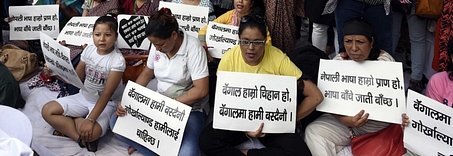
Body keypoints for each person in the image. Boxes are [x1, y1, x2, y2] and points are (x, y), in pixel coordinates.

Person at [198, 14, 323, 156]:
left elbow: (316, 96)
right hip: (238, 121)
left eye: (257, 42)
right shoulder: (229, 57)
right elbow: (223, 100)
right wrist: (245, 128)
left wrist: (286, 121)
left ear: (265, 41)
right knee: (206, 141)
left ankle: (247, 153)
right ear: (239, 40)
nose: (250, 48)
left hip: (271, 125)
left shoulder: (278, 58)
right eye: (245, 41)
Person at [112, 9, 209, 156]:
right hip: (159, 104)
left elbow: (201, 90)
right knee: (116, 122)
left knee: (188, 153)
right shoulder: (157, 45)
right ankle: (159, 149)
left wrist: (171, 106)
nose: (157, 48)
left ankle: (153, 148)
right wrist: (128, 99)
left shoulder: (193, 48)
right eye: (154, 44)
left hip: (189, 109)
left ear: (174, 36)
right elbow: (146, 73)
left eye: (160, 44)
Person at [304, 18, 394, 156]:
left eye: (360, 42)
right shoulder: (338, 62)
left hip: (378, 129)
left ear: (371, 43)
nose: (353, 48)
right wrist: (344, 119)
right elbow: (329, 101)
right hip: (346, 125)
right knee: (313, 131)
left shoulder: (385, 62)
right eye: (348, 42)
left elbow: (393, 103)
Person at [42, 16, 125, 152]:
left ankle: (71, 123)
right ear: (92, 35)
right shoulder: (89, 50)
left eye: (108, 35)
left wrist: (91, 120)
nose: (102, 39)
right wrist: (53, 72)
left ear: (116, 36)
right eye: (97, 34)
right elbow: (75, 78)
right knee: (47, 110)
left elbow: (107, 93)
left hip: (107, 103)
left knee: (92, 133)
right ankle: (80, 139)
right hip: (84, 96)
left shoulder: (117, 60)